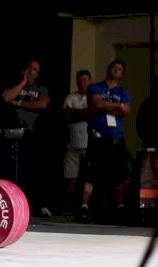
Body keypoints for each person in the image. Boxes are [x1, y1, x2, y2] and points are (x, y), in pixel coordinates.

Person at [80, 59, 131, 222]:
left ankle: (120, 206)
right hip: (97, 137)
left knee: (118, 174)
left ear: (122, 75)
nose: (116, 70)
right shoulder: (95, 87)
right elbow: (97, 103)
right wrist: (117, 106)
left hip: (115, 138)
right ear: (108, 69)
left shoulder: (124, 92)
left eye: (120, 69)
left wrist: (106, 106)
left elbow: (126, 110)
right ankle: (84, 206)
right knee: (91, 173)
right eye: (114, 67)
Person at [1, 59, 51, 217]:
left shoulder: (41, 89)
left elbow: (42, 104)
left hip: (33, 135)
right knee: (13, 171)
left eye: (35, 70)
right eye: (29, 68)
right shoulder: (15, 85)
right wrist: (23, 82)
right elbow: (7, 97)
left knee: (35, 171)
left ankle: (38, 205)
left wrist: (20, 103)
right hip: (13, 135)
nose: (32, 71)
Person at [62, 70, 92, 213]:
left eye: (85, 79)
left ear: (90, 81)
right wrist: (84, 113)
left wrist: (76, 112)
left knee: (88, 175)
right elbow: (66, 117)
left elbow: (91, 114)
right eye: (79, 80)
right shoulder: (70, 97)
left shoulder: (94, 97)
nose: (82, 82)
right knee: (71, 176)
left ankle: (85, 205)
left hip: (89, 142)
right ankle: (69, 205)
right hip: (72, 141)